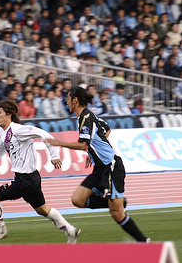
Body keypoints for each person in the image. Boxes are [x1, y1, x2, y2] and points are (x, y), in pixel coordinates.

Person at [0, 99, 80, 244]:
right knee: (42, 210)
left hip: (25, 180)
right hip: (31, 179)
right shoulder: (3, 135)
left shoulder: (18, 130)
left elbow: (44, 134)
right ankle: (71, 230)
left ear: (9, 114)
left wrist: (54, 156)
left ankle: (0, 230)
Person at [46, 87, 149, 242]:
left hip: (111, 167)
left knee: (117, 214)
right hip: (100, 168)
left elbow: (83, 145)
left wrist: (60, 143)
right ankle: (117, 202)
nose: (66, 102)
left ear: (75, 100)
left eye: (68, 98)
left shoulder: (85, 117)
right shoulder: (87, 116)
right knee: (78, 200)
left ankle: (143, 241)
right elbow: (106, 129)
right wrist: (93, 152)